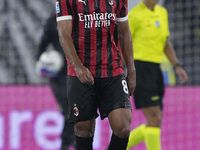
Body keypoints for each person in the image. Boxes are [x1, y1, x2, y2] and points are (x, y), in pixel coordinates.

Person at [56, 0, 136, 149]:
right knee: (83, 129)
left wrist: (131, 70)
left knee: (123, 126)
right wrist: (78, 67)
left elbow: (124, 32)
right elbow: (64, 34)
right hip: (81, 72)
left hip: (112, 69)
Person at [126, 0, 188, 150]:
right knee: (154, 117)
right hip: (140, 68)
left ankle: (117, 146)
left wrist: (177, 66)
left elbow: (165, 43)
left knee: (154, 121)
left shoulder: (162, 12)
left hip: (156, 69)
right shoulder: (134, 16)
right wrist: (123, 70)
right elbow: (124, 43)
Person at [36, 14, 75, 150]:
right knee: (70, 110)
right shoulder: (52, 21)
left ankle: (66, 144)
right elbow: (41, 47)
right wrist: (42, 65)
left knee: (77, 111)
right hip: (59, 76)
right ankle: (72, 143)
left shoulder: (81, 19)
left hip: (78, 73)